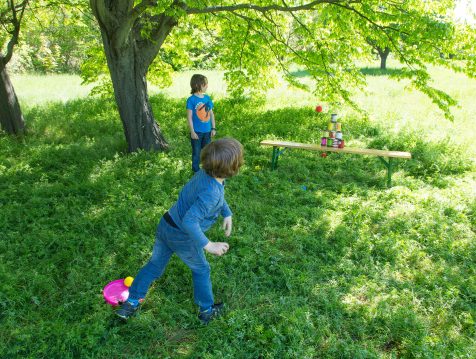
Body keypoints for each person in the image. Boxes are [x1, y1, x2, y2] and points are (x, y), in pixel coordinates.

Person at [116, 138, 244, 324]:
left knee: (154, 266)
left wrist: (226, 212)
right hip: (183, 236)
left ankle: (131, 303)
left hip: (166, 224)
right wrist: (208, 245)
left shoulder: (205, 173)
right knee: (202, 269)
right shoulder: (212, 192)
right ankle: (206, 311)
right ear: (233, 168)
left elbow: (214, 197)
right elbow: (190, 222)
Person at [186, 74, 216, 173]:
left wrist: (213, 128)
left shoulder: (207, 98)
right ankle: (196, 171)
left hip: (207, 131)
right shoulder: (191, 100)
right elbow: (189, 117)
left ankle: (207, 170)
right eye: (205, 84)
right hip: (197, 132)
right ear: (198, 85)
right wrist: (192, 132)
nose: (207, 86)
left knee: (207, 152)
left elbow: (211, 114)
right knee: (196, 153)